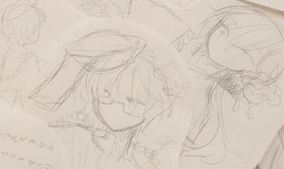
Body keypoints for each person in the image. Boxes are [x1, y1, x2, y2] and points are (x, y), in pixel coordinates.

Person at [29, 30, 179, 169]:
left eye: (144, 106)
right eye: (131, 102)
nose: (139, 114)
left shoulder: (136, 150)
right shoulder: (72, 137)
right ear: (104, 94)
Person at [178, 6, 284, 165]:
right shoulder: (186, 48)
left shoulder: (225, 84)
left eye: (255, 67)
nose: (249, 67)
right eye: (245, 52)